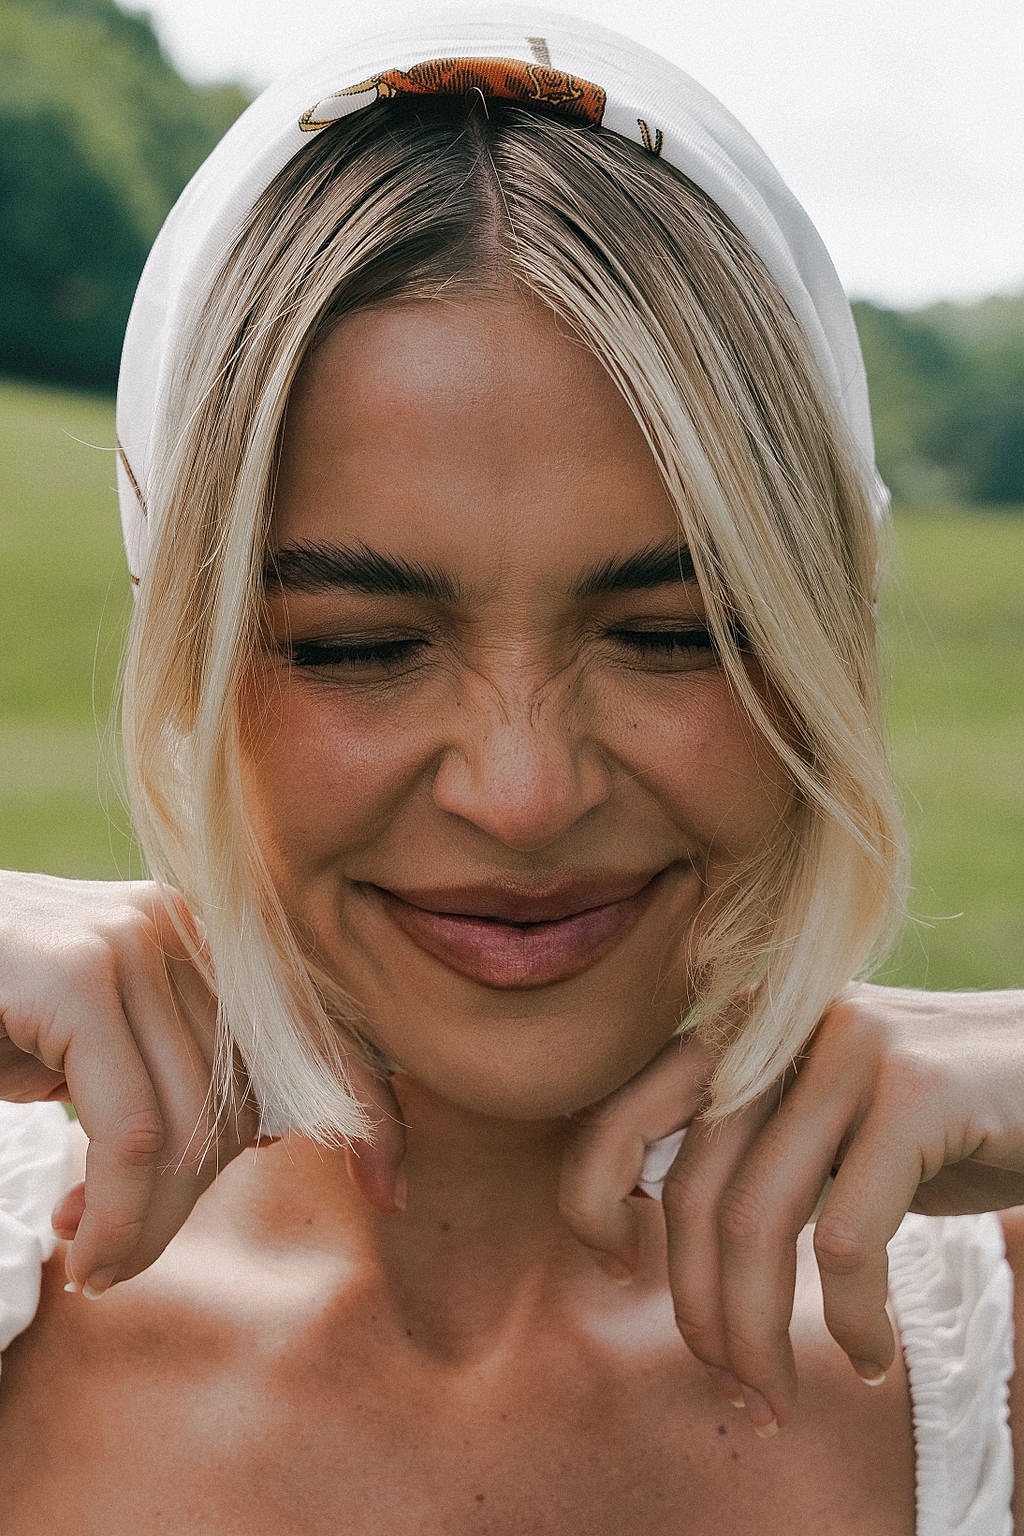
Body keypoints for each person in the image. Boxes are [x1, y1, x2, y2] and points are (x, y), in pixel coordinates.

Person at [0, 8, 1022, 1531]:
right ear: (187, 655)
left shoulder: (985, 1333)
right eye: (356, 645)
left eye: (674, 634)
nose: (523, 793)